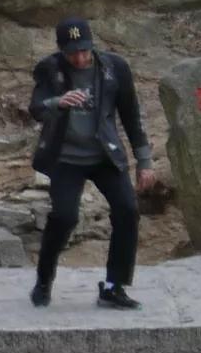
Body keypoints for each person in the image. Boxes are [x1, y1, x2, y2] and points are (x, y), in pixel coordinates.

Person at [29, 17, 157, 309]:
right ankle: (44, 279)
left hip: (105, 155)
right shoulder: (50, 68)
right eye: (72, 53)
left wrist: (144, 161)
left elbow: (131, 116)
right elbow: (36, 108)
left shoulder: (114, 68)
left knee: (127, 210)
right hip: (66, 158)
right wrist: (58, 102)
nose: (80, 58)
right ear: (61, 49)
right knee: (64, 217)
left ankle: (114, 286)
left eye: (84, 51)